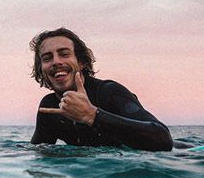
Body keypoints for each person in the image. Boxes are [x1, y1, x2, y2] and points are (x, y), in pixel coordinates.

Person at [30, 27, 173, 151]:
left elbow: (164, 140)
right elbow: (37, 151)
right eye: (47, 58)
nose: (56, 62)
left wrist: (92, 115)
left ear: (81, 62)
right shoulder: (49, 107)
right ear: (41, 69)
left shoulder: (109, 92)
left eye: (64, 54)